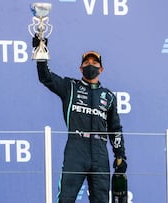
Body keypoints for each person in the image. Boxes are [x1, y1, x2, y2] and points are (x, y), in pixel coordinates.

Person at [33, 36, 127, 203]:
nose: (90, 65)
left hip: (100, 151)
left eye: (94, 63)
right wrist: (41, 55)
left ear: (101, 69)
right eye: (86, 62)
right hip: (76, 149)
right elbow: (45, 77)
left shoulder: (109, 96)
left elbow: (115, 128)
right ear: (80, 68)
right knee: (66, 199)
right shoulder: (70, 87)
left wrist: (120, 156)